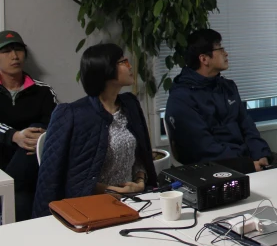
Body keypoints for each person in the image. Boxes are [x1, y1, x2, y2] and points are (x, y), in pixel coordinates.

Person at [33, 44, 158, 217]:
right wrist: (107, 190)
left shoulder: (130, 104)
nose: (130, 66)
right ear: (105, 70)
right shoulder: (71, 114)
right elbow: (53, 178)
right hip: (91, 208)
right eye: (123, 62)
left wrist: (140, 180)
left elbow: (141, 154)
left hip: (134, 202)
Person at [165, 29, 277, 176]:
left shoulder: (227, 87)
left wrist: (261, 154)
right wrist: (246, 164)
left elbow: (247, 125)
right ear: (204, 59)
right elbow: (203, 147)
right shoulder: (182, 98)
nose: (226, 53)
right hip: (216, 165)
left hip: (247, 157)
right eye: (220, 49)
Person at [0, 31, 58, 221]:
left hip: (33, 169)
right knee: (21, 201)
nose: (14, 56)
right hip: (2, 166)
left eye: (18, 50)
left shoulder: (43, 91)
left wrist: (40, 137)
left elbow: (57, 124)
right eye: (6, 51)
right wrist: (14, 135)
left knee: (37, 130)